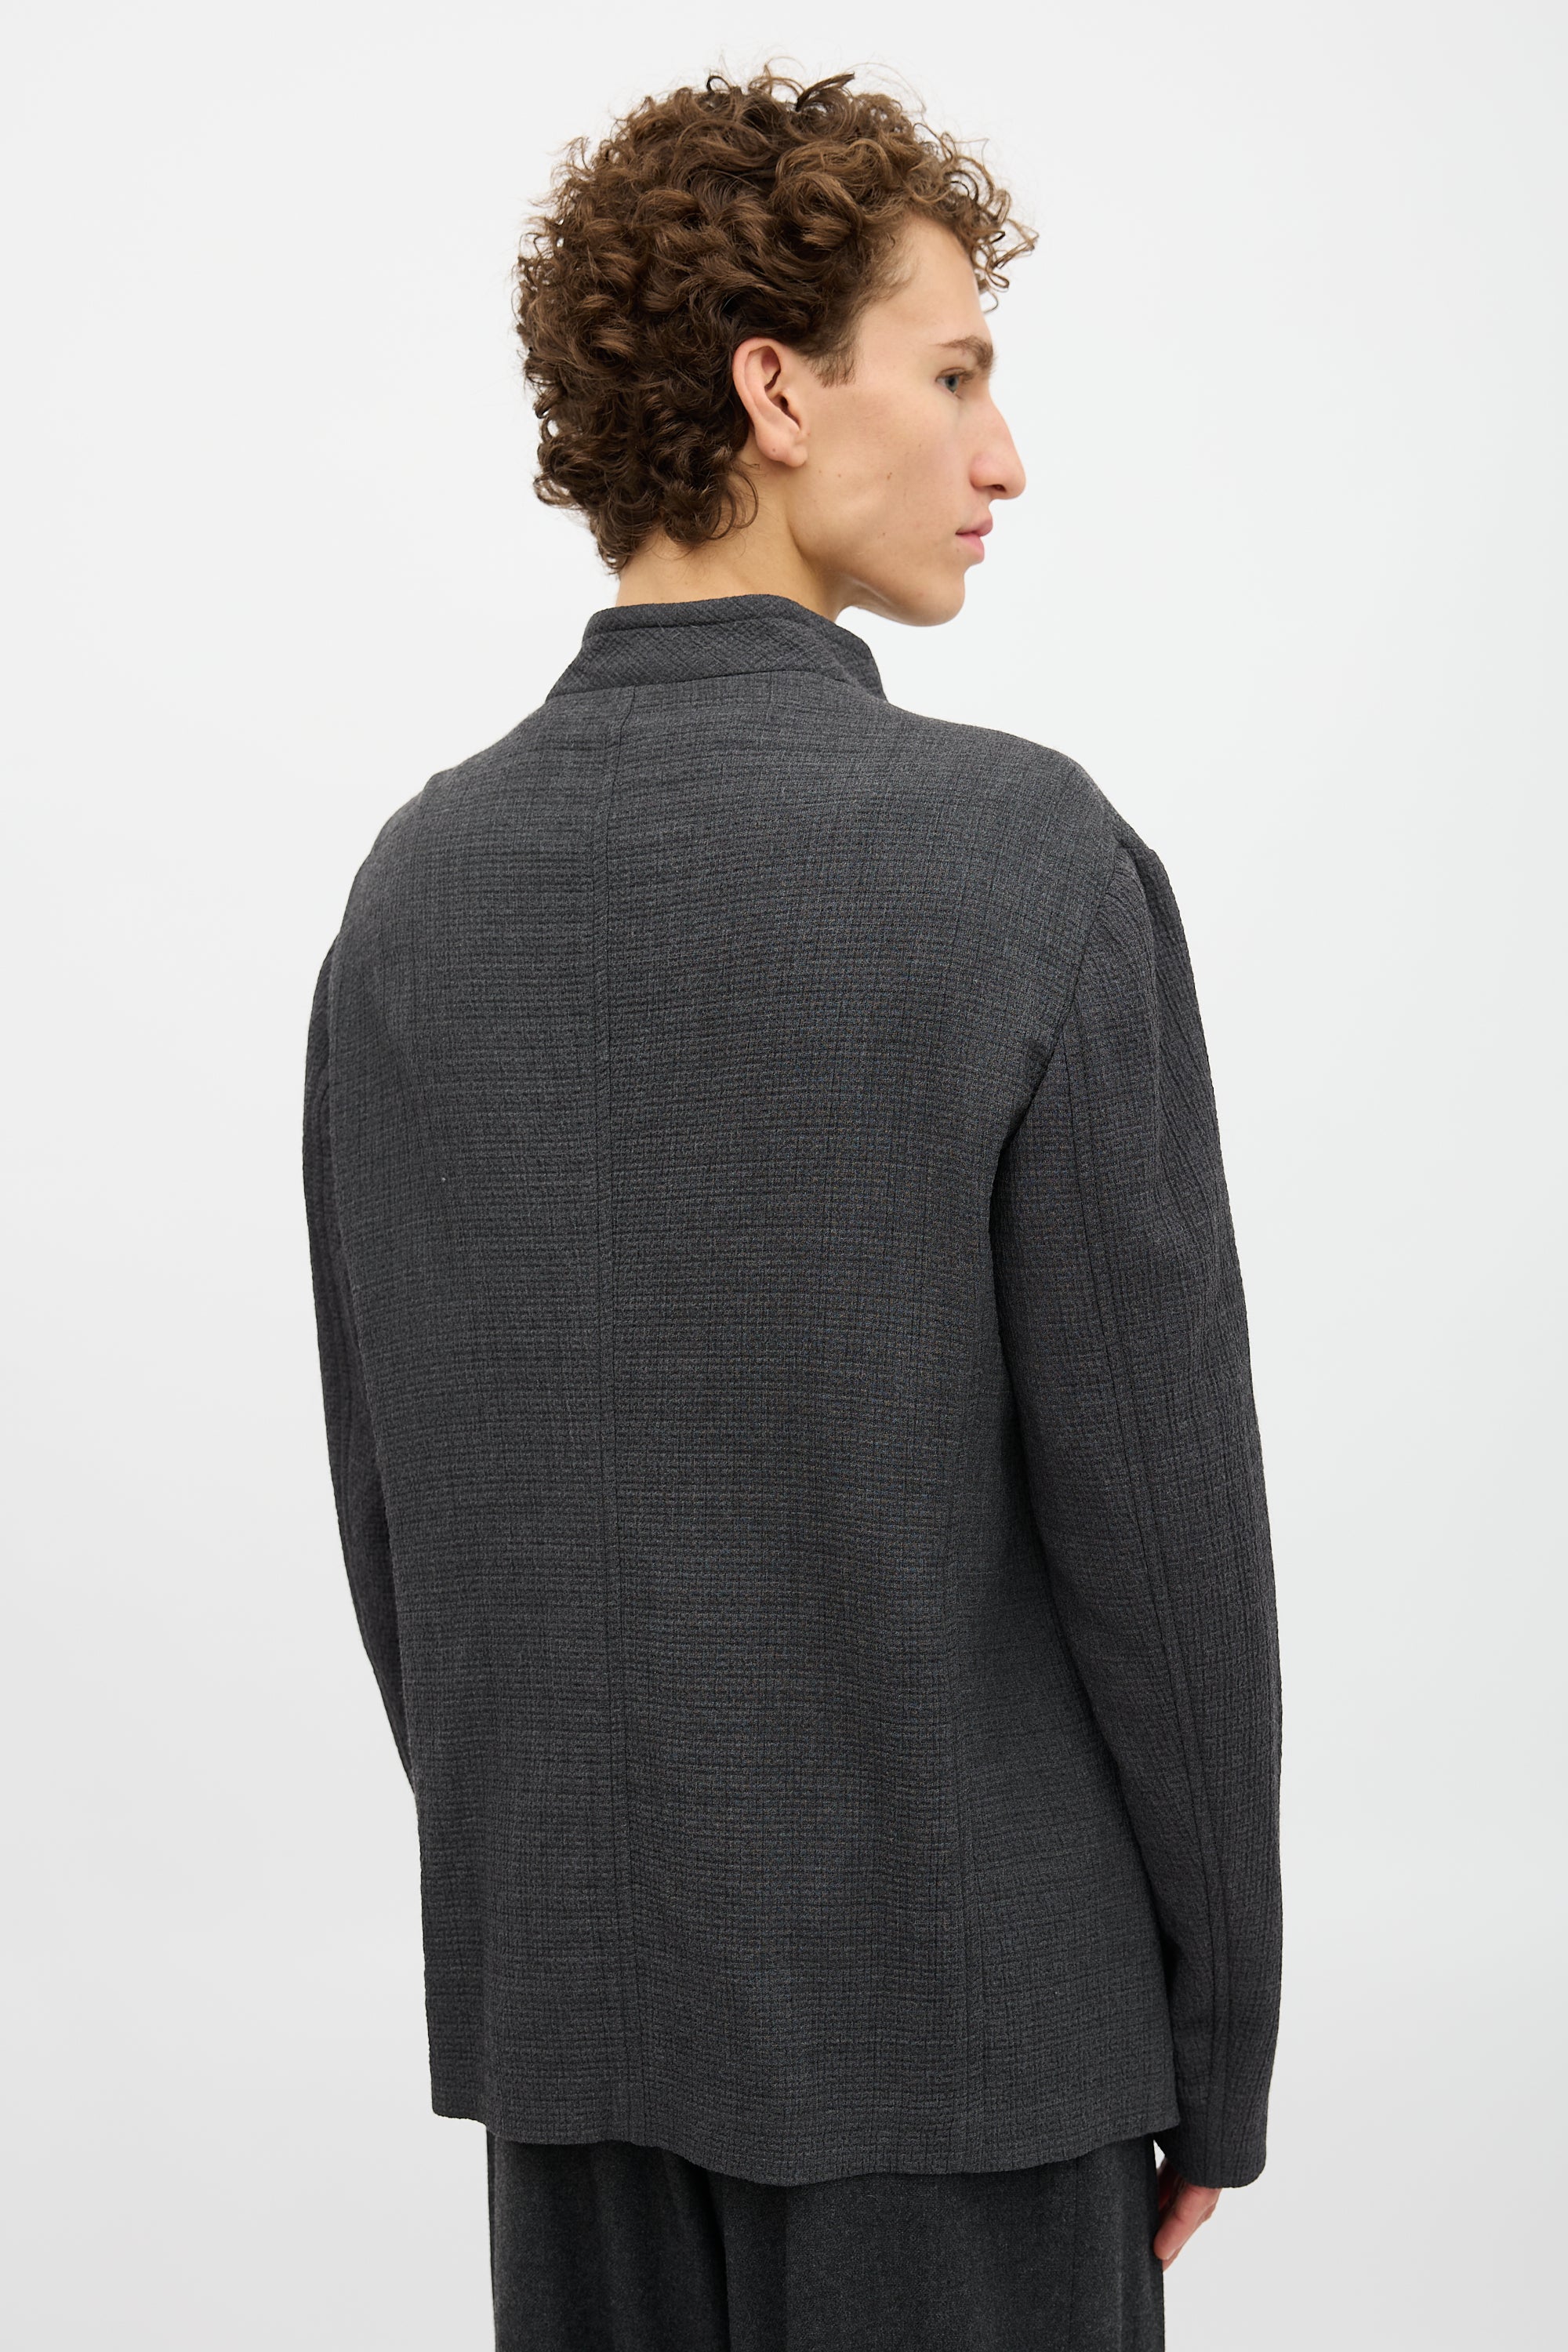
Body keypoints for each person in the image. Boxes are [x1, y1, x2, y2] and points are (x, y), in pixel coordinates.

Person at [302, 63, 1283, 2352]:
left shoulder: (411, 896)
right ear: (775, 390)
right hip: (974, 2048)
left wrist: (581, 1907)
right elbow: (1162, 1536)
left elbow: (399, 1531)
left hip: (581, 2050)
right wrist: (1217, 2040)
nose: (1003, 456)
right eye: (953, 375)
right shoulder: (1023, 863)